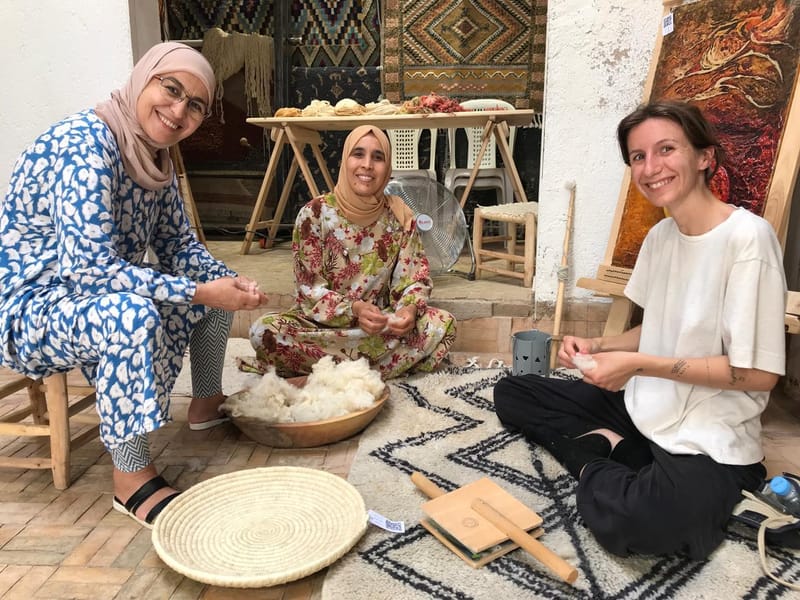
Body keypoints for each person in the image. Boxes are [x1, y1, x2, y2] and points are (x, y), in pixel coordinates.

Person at [494, 100, 786, 560]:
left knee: (638, 526)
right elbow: (656, 327)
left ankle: (592, 458)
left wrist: (637, 365)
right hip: (647, 404)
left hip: (710, 434)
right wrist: (600, 344)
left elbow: (758, 375)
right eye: (638, 157)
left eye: (666, 149)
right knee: (514, 393)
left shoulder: (748, 240)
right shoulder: (661, 237)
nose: (651, 168)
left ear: (705, 157)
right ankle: (624, 452)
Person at [0, 42, 268, 528]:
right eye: (171, 89)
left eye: (195, 105)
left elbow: (179, 246)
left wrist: (228, 282)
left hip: (89, 296)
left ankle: (205, 403)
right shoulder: (85, 145)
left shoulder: (156, 160)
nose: (178, 110)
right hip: (31, 307)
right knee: (135, 313)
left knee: (205, 283)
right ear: (144, 78)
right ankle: (130, 479)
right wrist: (201, 290)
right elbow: (90, 270)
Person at [239, 125, 456, 380]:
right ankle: (373, 368)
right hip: (321, 327)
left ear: (387, 167)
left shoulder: (399, 216)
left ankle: (329, 370)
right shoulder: (315, 214)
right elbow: (310, 291)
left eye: (378, 157)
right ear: (345, 161)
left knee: (443, 324)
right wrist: (354, 309)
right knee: (263, 332)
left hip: (378, 327)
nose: (367, 165)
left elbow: (413, 279)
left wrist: (407, 311)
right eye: (358, 154)